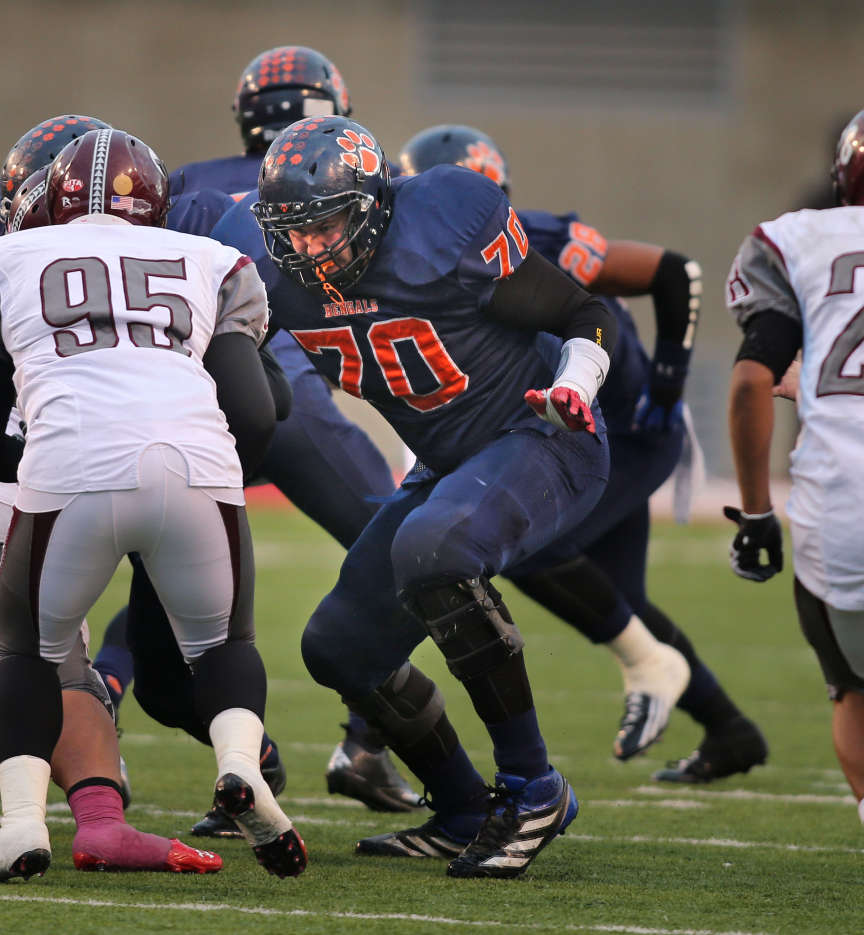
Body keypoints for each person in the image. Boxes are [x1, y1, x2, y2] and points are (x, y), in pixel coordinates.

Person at [244, 113, 622, 879]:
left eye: (327, 226)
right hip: (448, 463)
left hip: (543, 432)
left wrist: (573, 387)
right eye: (295, 231)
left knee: (433, 550)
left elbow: (587, 312)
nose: (311, 249)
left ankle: (532, 788)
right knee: (338, 644)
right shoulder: (279, 278)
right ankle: (461, 807)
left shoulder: (443, 227)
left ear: (377, 204)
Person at [91, 46, 421, 833]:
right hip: (287, 391)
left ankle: (123, 706)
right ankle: (370, 739)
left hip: (191, 409)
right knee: (407, 553)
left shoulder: (191, 185)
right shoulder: (359, 189)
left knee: (153, 585)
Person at [398, 124, 768, 781]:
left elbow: (675, 270)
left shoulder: (537, 238)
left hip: (621, 430)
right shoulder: (426, 260)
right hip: (573, 426)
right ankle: (731, 729)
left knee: (533, 547)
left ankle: (654, 672)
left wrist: (668, 379)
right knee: (617, 597)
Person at [0, 128, 305, 881]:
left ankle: (19, 824)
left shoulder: (11, 258)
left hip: (68, 464)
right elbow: (260, 411)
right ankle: (241, 766)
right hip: (197, 463)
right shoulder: (208, 260)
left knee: (26, 650)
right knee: (224, 644)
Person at [725, 108, 864, 826]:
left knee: (852, 688)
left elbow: (753, 381)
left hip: (841, 505)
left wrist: (755, 512)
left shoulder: (802, 236)